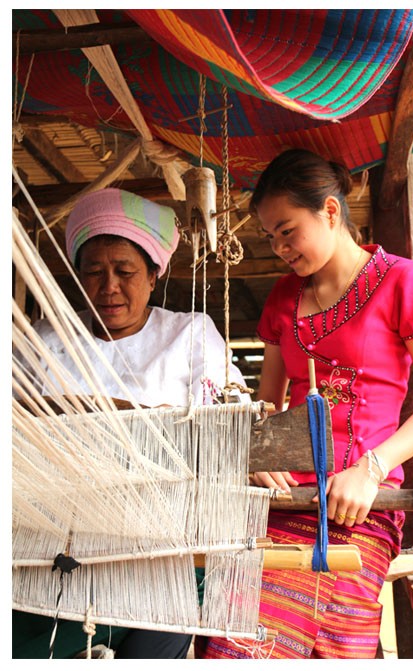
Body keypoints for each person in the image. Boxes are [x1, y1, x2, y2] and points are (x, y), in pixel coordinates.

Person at [196, 149, 413, 659]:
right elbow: (265, 406)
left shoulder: (405, 280)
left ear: (331, 212)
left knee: (334, 644)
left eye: (287, 230)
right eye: (269, 236)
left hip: (363, 507)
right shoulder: (281, 300)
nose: (279, 247)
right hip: (278, 502)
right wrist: (256, 457)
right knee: (232, 643)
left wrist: (371, 470)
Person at [13, 187, 248, 658]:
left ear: (154, 274)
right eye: (94, 273)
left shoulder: (189, 336)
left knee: (162, 628)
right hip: (48, 546)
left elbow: (228, 421)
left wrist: (89, 412)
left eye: (125, 272)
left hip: (158, 547)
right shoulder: (43, 341)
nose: (109, 287)